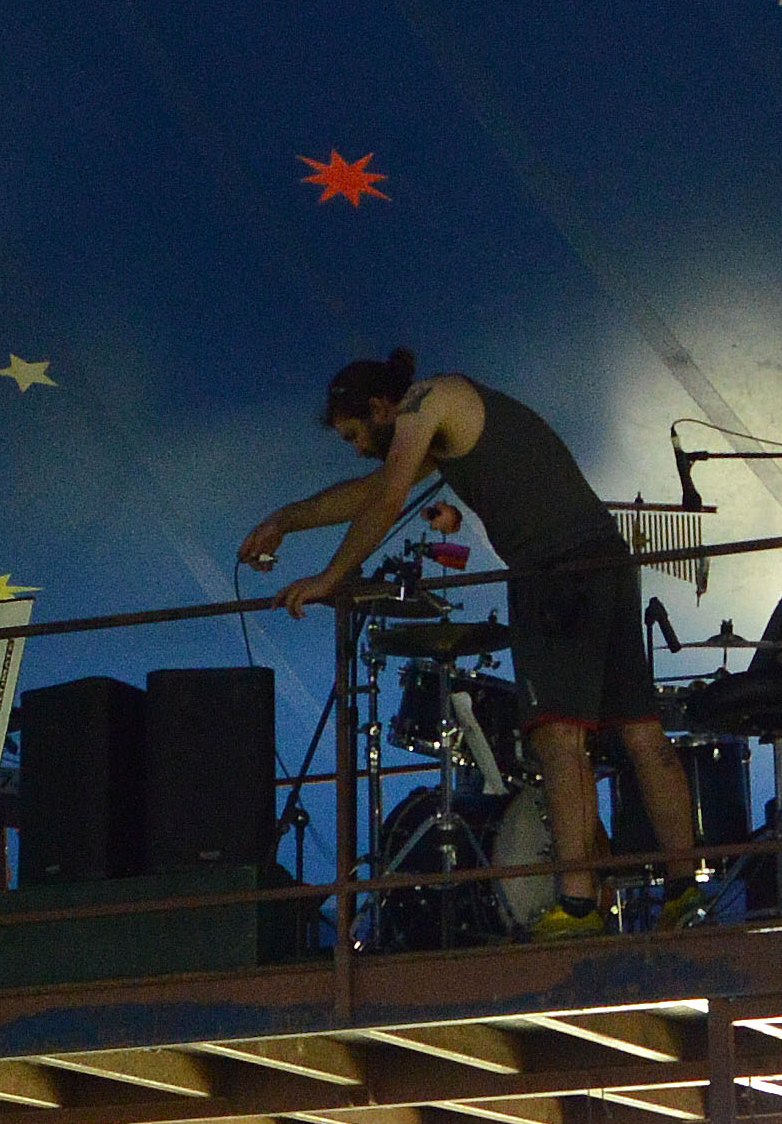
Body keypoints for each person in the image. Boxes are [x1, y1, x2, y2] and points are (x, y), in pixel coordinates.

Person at [242, 355, 703, 938]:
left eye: (356, 434)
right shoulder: (442, 410)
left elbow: (384, 497)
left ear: (381, 408)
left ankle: (581, 903)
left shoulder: (427, 400)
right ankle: (686, 888)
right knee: (642, 733)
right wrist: (287, 519)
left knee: (560, 740)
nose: (359, 448)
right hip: (603, 557)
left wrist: (327, 579)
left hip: (553, 570)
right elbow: (368, 491)